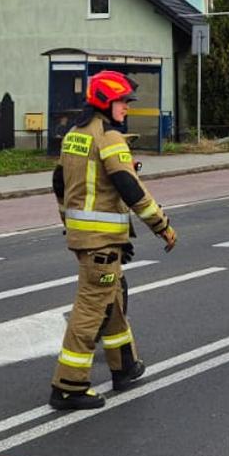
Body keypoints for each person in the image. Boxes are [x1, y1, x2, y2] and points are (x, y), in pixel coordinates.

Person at [48, 71, 176, 411]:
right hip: (100, 240)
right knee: (91, 308)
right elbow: (128, 187)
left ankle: (124, 366)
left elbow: (60, 180)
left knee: (113, 295)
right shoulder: (109, 137)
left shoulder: (74, 134)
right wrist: (160, 224)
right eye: (123, 102)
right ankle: (68, 386)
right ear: (106, 101)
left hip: (87, 237)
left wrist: (68, 220)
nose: (127, 108)